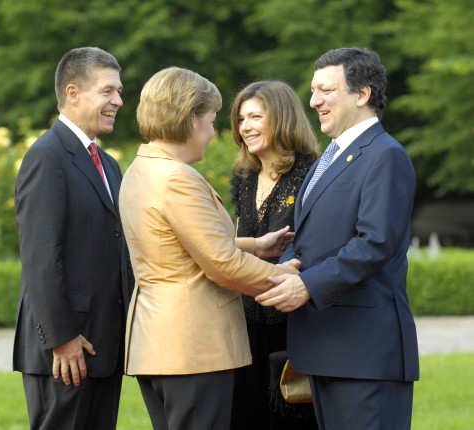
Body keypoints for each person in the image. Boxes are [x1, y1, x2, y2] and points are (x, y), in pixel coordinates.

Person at [118, 67, 300, 430]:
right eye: (211, 120)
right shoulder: (177, 179)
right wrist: (283, 277)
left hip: (158, 342)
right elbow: (222, 264)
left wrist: (254, 245)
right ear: (190, 119)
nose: (213, 132)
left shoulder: (143, 168)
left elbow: (175, 242)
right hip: (193, 348)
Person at [256, 48, 419, 430]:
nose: (313, 101)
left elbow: (375, 242)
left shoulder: (385, 155)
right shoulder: (328, 156)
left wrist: (307, 286)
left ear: (362, 94)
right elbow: (306, 233)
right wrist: (288, 268)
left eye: (325, 90)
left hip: (364, 354)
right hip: (326, 348)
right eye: (313, 91)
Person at [13, 47, 134, 430]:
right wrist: (62, 338)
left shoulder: (108, 164)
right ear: (73, 93)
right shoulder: (46, 157)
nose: (118, 100)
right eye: (108, 91)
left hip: (101, 345)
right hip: (66, 351)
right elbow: (40, 258)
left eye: (118, 91)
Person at [229, 80, 319, 430]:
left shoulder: (311, 172)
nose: (245, 127)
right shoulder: (245, 176)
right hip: (245, 320)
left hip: (292, 319)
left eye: (255, 117)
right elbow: (239, 239)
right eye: (240, 119)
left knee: (291, 416)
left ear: (281, 118)